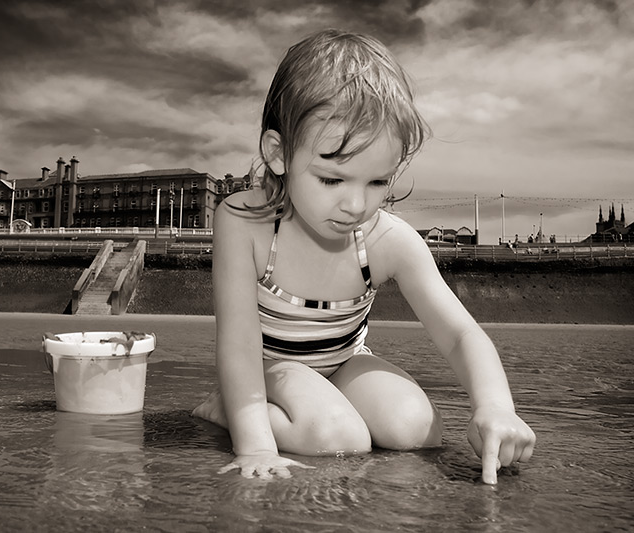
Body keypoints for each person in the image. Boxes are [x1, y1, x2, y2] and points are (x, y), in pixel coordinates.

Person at [192, 29, 535, 484]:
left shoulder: (388, 240)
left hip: (345, 364)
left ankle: (326, 406)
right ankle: (227, 408)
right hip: (267, 367)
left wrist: (495, 407)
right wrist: (255, 445)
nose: (356, 205)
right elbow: (238, 346)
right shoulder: (246, 221)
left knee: (417, 429)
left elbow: (459, 335)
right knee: (336, 437)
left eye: (377, 182)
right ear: (278, 154)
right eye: (333, 180)